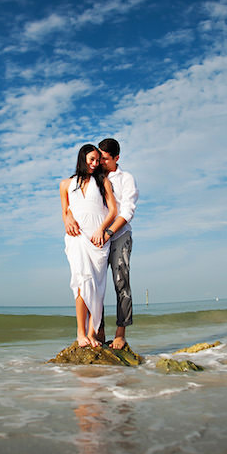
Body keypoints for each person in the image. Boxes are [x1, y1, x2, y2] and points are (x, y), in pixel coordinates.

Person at [64, 138, 138, 350]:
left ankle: (120, 334)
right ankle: (98, 331)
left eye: (105, 159)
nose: (101, 162)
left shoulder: (126, 179)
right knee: (94, 284)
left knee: (121, 282)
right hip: (93, 239)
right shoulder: (92, 177)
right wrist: (68, 215)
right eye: (98, 158)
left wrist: (108, 232)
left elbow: (126, 211)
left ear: (116, 158)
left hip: (118, 235)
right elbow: (78, 203)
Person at [60, 144, 117, 347]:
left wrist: (101, 229)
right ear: (82, 158)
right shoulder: (66, 184)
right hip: (77, 239)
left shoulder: (103, 181)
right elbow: (65, 211)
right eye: (91, 159)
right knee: (81, 283)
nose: (94, 164)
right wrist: (67, 219)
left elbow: (113, 211)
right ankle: (80, 333)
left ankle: (92, 334)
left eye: (97, 160)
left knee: (97, 288)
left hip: (98, 241)